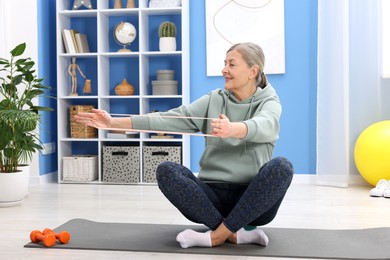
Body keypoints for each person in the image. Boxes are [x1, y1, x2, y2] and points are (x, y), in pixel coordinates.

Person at [74, 42, 294, 248]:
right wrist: (112, 122)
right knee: (166, 170)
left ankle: (216, 236)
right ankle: (235, 234)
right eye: (224, 63)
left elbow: (266, 125)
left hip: (252, 202)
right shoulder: (214, 99)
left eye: (231, 64)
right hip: (211, 199)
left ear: (252, 71)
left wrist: (233, 129)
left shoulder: (269, 101)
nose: (224, 69)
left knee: (282, 166)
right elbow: (170, 118)